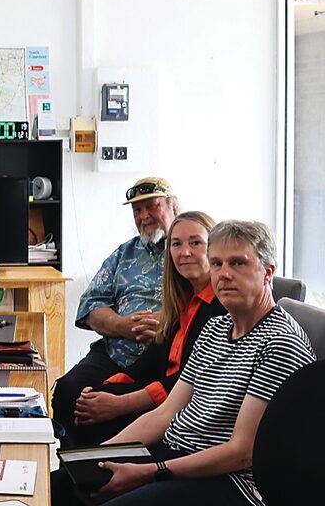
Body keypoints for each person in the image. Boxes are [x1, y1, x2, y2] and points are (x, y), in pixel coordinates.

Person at [83, 220, 315, 505]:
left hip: (230, 481)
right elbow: (165, 413)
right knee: (64, 484)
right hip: (175, 456)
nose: (224, 274)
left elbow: (242, 453)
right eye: (216, 263)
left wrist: (150, 472)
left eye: (238, 263)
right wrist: (93, 456)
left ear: (268, 272)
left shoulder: (280, 344)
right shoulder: (215, 328)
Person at [67, 211, 226, 445]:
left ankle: (90, 463)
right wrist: (107, 387)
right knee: (75, 395)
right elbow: (154, 356)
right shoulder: (179, 294)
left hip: (181, 400)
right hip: (120, 355)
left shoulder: (222, 305)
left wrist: (119, 403)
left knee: (92, 418)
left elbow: (193, 380)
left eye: (195, 243)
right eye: (176, 244)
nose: (185, 252)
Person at [52, 177, 179, 444]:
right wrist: (123, 326)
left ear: (173, 206)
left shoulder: (188, 253)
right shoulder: (125, 253)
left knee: (105, 401)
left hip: (166, 359)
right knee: (69, 390)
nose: (144, 216)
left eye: (152, 206)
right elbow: (90, 306)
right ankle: (73, 465)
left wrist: (169, 324)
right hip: (115, 353)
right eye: (137, 210)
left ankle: (113, 463)